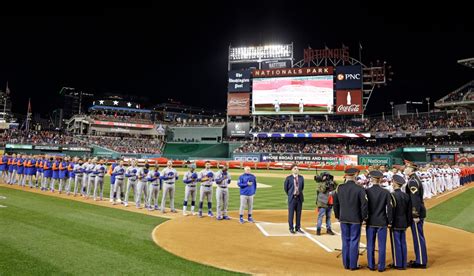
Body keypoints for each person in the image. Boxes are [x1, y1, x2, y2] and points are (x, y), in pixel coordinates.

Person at [333, 167, 368, 271]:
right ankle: (353, 265)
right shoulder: (360, 188)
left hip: (343, 218)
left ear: (346, 176)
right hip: (356, 219)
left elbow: (335, 204)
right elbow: (364, 205)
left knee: (345, 240)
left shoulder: (339, 188)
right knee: (354, 240)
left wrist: (338, 216)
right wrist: (364, 217)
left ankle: (346, 264)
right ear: (355, 176)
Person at [365, 170, 393, 272]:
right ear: (380, 179)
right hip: (382, 221)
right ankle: (381, 266)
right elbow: (389, 208)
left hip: (370, 221)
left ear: (372, 179)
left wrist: (364, 218)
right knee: (382, 245)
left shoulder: (366, 191)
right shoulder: (386, 192)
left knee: (370, 245)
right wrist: (389, 221)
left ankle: (371, 265)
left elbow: (365, 207)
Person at [404, 160, 428, 269]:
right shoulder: (413, 179)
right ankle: (420, 259)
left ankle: (421, 261)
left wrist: (415, 215)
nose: (405, 169)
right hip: (418, 212)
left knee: (418, 237)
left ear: (411, 170)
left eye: (407, 167)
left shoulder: (413, 181)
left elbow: (415, 200)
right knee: (418, 236)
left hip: (417, 213)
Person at [389, 175, 412, 270]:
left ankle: (398, 264)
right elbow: (409, 211)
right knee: (403, 242)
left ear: (395, 183)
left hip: (395, 222)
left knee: (396, 243)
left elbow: (391, 211)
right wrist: (408, 222)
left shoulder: (392, 195)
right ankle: (403, 262)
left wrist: (390, 222)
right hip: (404, 222)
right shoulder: (406, 196)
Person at [284, 164, 305, 234]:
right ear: (292, 170)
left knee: (299, 214)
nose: (296, 169)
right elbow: (286, 188)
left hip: (299, 198)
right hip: (292, 198)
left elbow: (302, 188)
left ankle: (298, 227)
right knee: (291, 214)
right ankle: (291, 228)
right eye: (295, 168)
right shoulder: (288, 178)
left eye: (297, 168)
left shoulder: (301, 178)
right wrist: (290, 194)